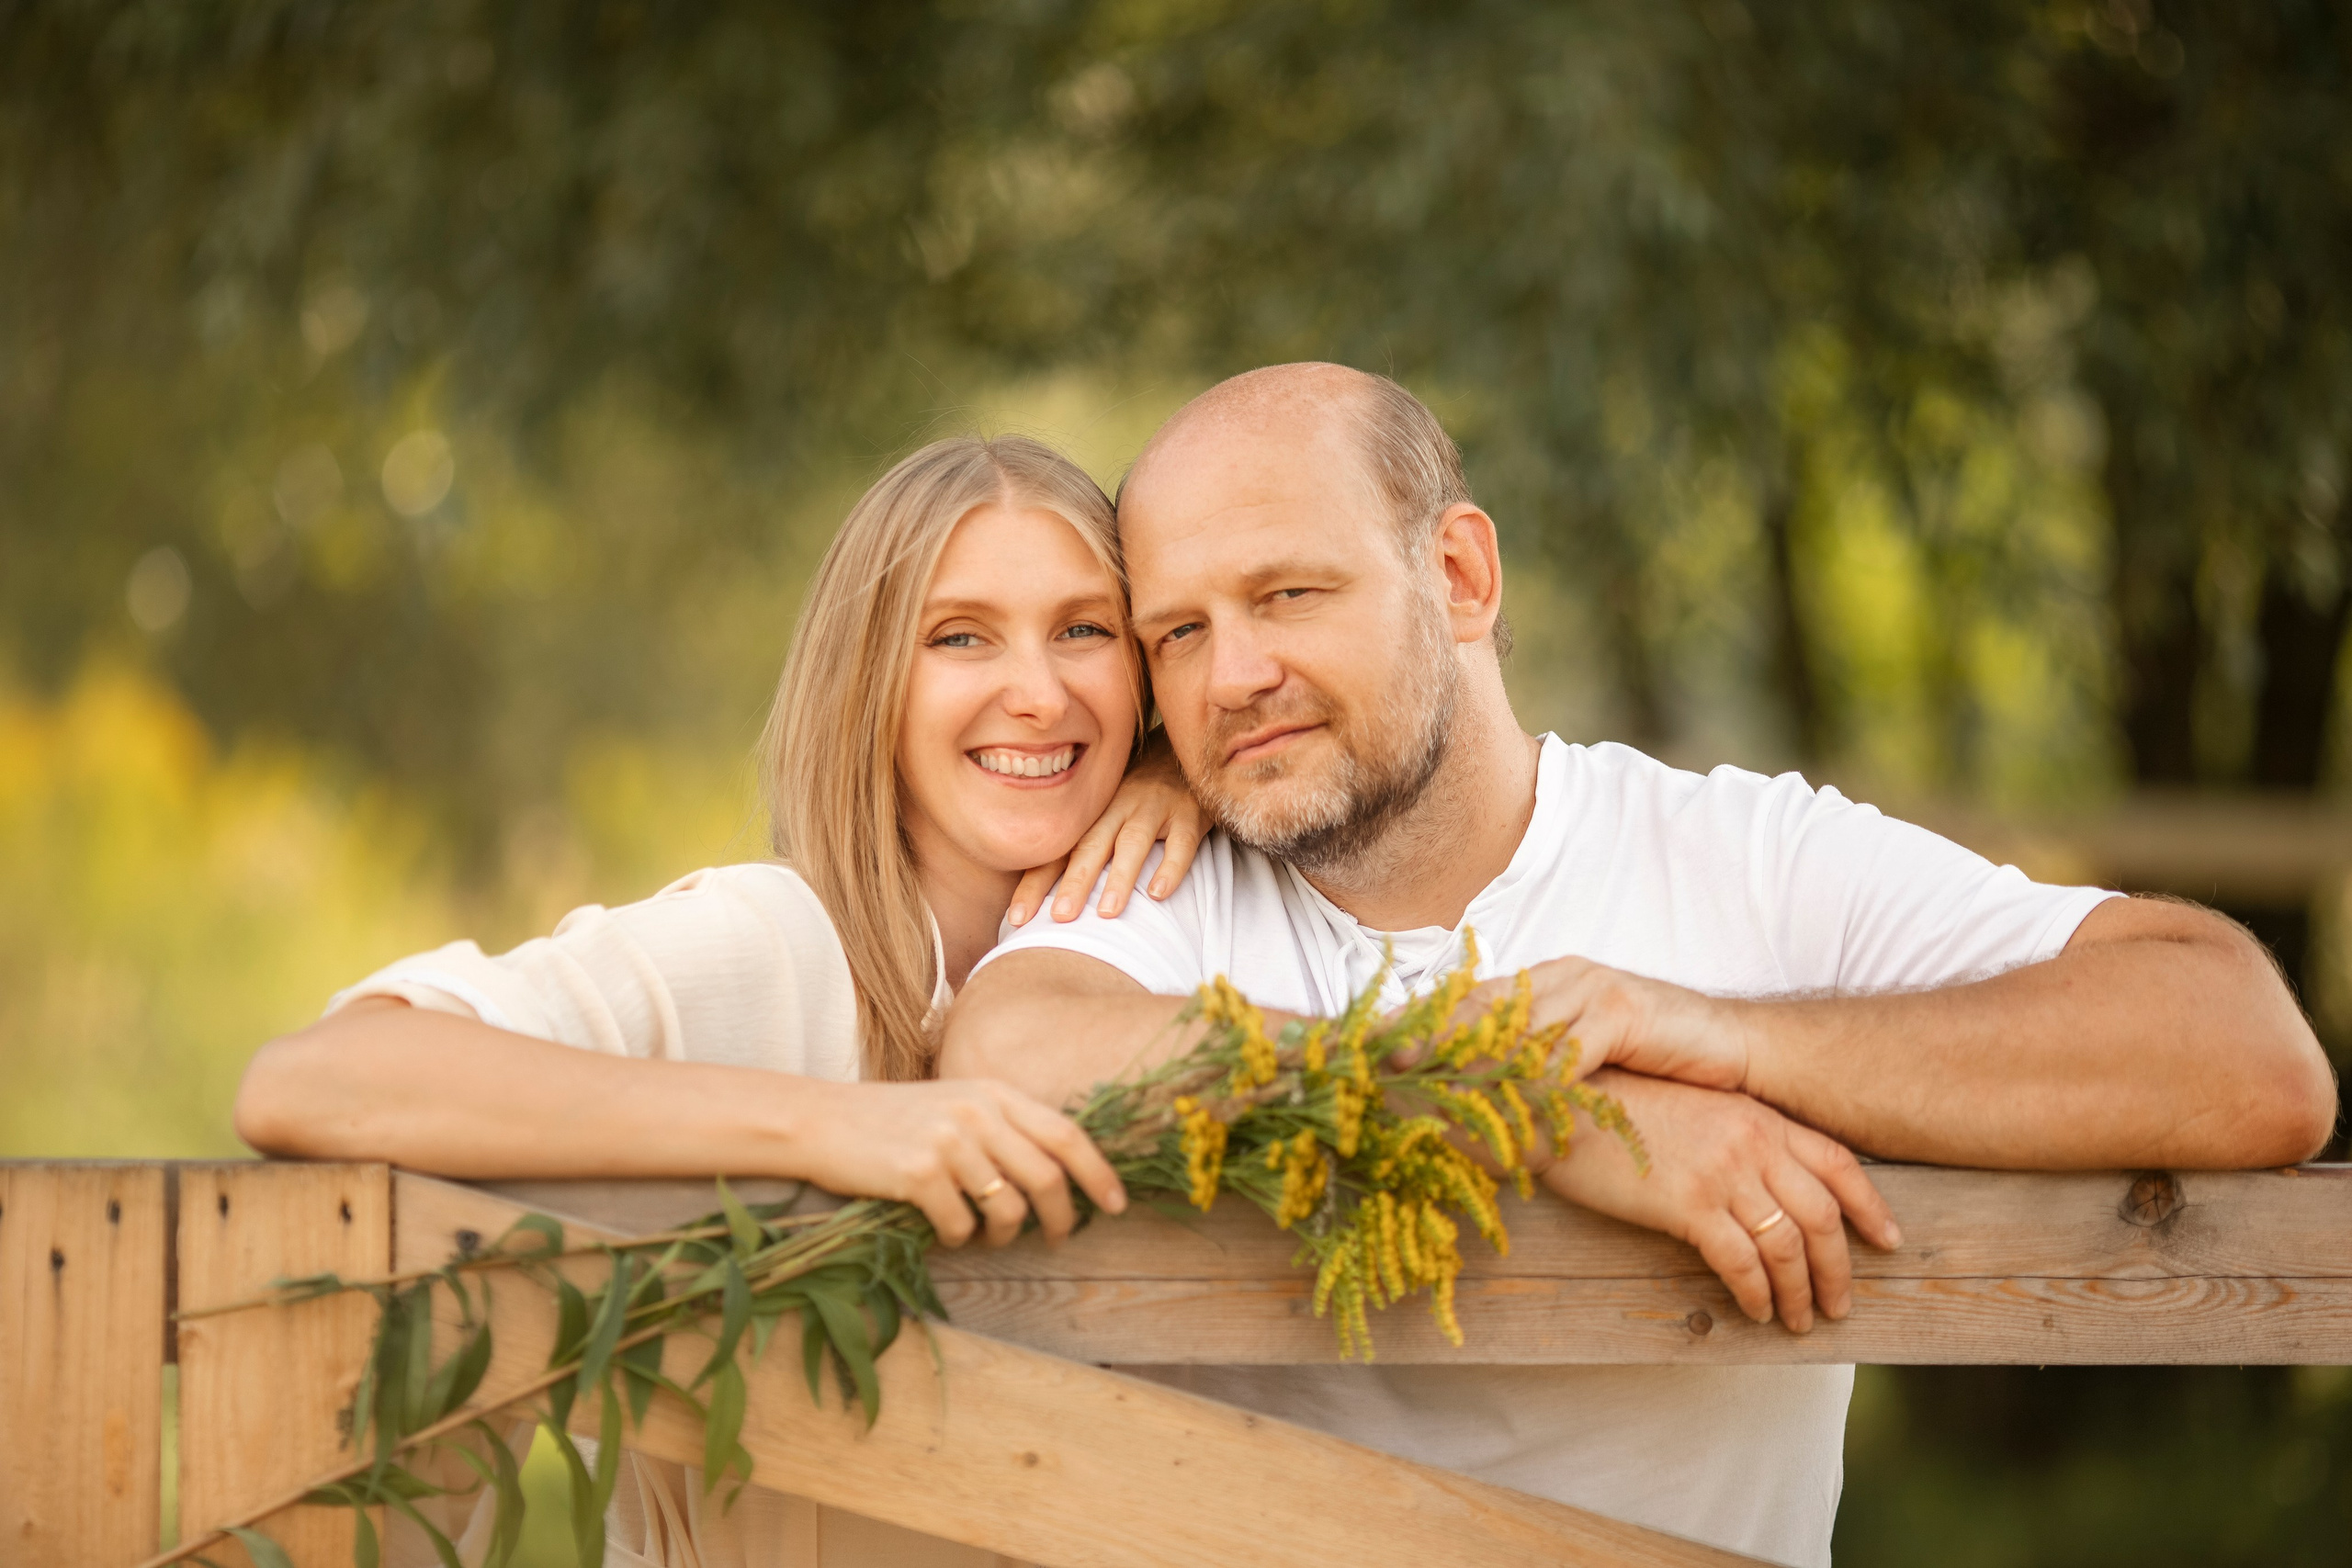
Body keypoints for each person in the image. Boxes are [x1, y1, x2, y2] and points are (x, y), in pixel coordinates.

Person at [940, 365, 2339, 1567]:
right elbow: (1013, 1050)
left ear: (1460, 576)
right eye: (1178, 630)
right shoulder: (1157, 879)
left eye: (1288, 592)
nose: (1230, 672)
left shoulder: (1741, 854)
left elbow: (2241, 1052)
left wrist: (1717, 1038)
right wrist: (1532, 1104)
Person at [235, 434, 1207, 1567]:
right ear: (869, 684)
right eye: (959, 636)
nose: (1037, 695)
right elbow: (313, 1081)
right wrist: (836, 1126)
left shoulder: (1191, 941)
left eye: (1083, 629)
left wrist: (1176, 770)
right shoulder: (783, 946)